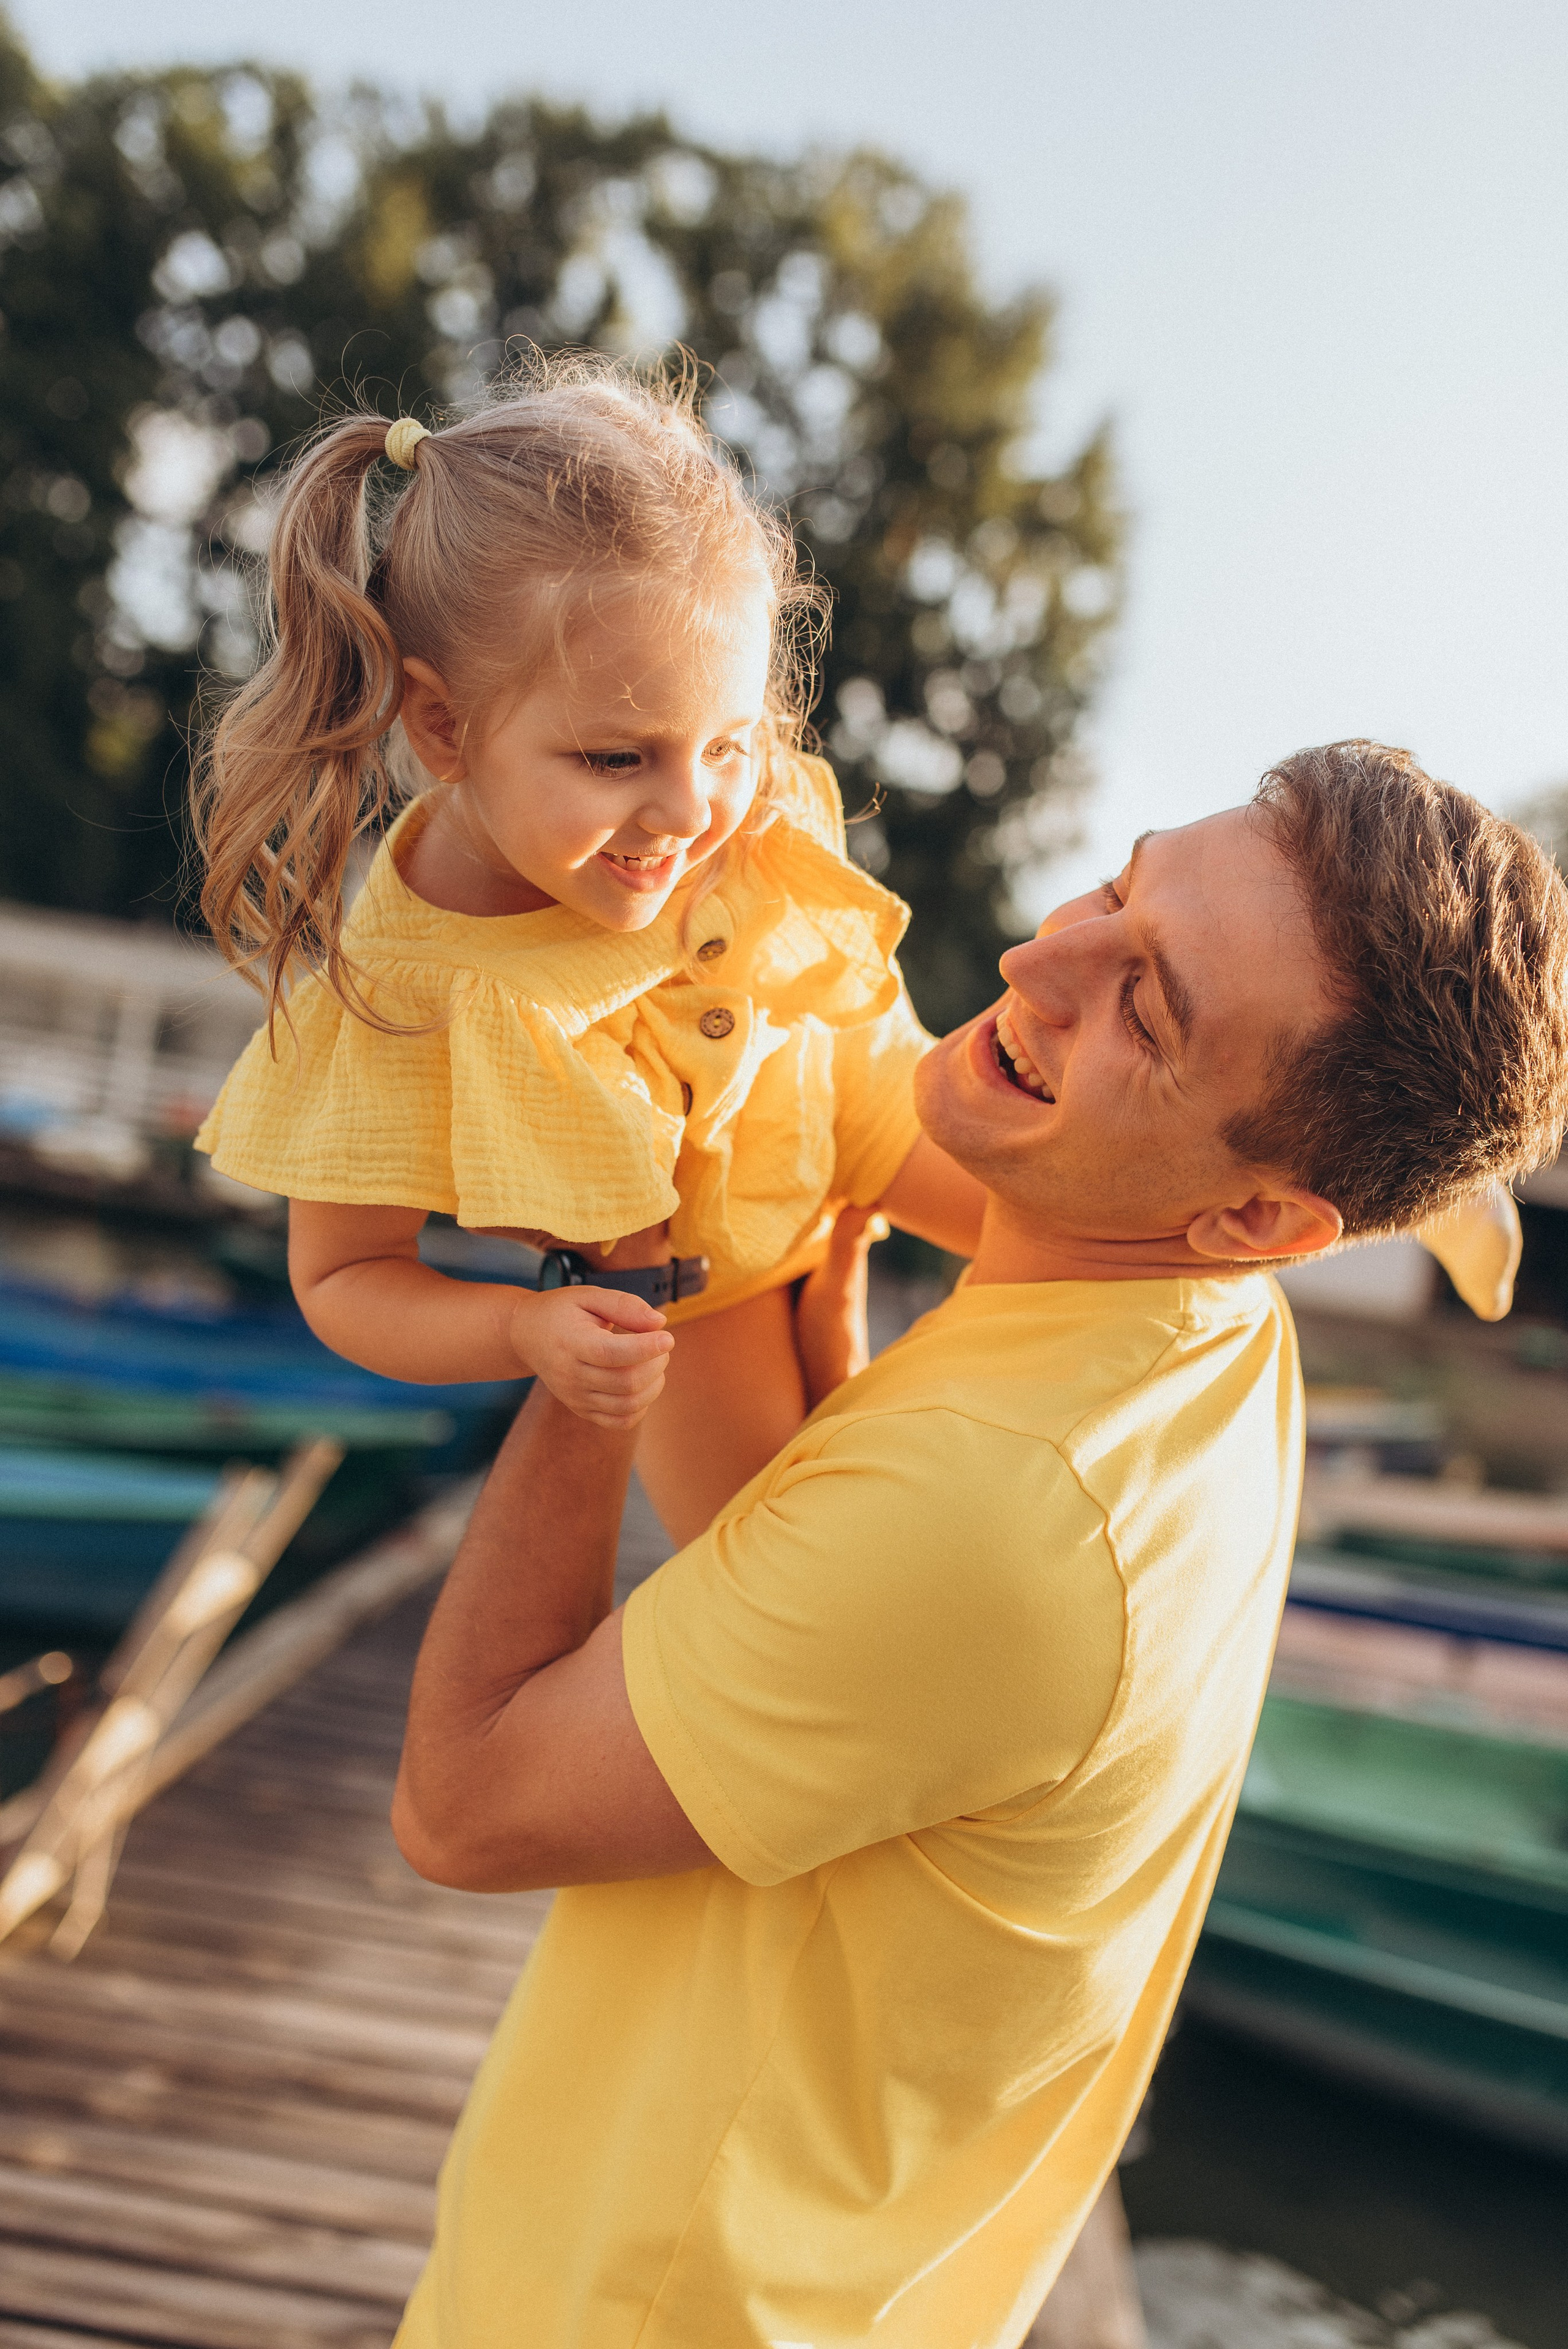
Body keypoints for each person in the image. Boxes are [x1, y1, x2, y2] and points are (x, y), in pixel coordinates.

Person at [388, 741, 1568, 2348]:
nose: (1038, 958)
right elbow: (811, 1577)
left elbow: (463, 1801)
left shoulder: (1005, 1515)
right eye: (1120, 881)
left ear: (1268, 1222)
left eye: (1147, 1006)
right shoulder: (1204, 1322)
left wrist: (614, 1277)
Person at [190, 356, 985, 1542]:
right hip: (699, 1284)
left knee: (1100, 1241)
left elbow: (861, 1019)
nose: (689, 812)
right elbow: (341, 1278)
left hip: (857, 1091)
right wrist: (517, 1330)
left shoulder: (706, 797)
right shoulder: (411, 983)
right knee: (777, 1564)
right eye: (617, 761)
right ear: (446, 725)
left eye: (727, 742)